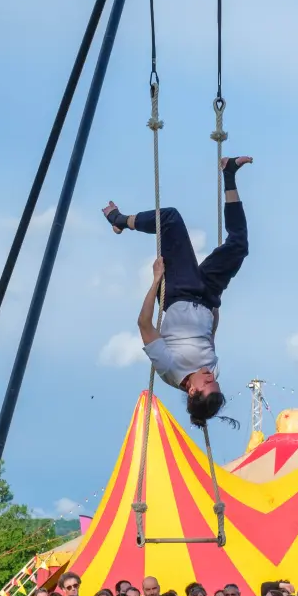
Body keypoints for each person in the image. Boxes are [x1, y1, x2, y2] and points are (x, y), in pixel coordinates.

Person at [102, 155, 252, 426]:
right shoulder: (212, 370)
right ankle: (229, 173)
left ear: (192, 390)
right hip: (208, 295)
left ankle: (118, 220)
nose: (211, 377)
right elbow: (210, 336)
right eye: (214, 382)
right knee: (239, 245)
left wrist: (156, 280)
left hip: (179, 291)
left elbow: (144, 324)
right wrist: (214, 307)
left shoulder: (170, 370)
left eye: (208, 383)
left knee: (170, 218)